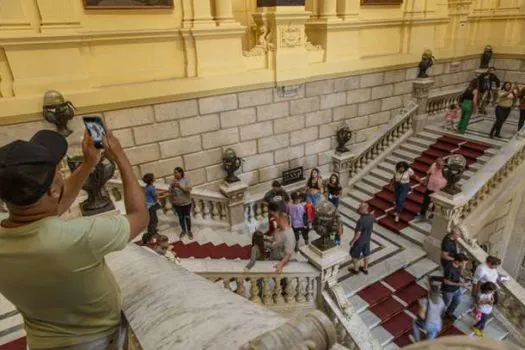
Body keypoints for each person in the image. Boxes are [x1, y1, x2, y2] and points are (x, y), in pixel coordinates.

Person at [0, 129, 148, 349]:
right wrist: (120, 156)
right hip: (97, 340)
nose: (61, 170)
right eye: (57, 169)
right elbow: (140, 216)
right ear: (52, 190)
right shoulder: (79, 237)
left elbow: (49, 208)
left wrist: (88, 164)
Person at [268, 202, 296, 273]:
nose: (272, 218)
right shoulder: (278, 228)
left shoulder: (289, 235)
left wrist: (281, 265)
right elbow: (274, 238)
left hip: (280, 262)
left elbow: (288, 254)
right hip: (273, 257)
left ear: (282, 215)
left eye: (274, 215)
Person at [441, 253, 469, 320]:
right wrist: (460, 284)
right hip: (448, 290)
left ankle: (449, 313)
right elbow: (446, 281)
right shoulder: (449, 268)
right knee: (445, 303)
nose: (464, 265)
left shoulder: (459, 266)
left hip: (456, 288)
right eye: (463, 263)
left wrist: (464, 277)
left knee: (457, 301)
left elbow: (459, 273)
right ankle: (440, 315)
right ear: (457, 261)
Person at [349, 203, 374, 275]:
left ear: (364, 209)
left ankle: (356, 269)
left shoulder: (361, 220)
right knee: (366, 254)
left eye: (360, 208)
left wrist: (353, 241)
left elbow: (358, 233)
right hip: (367, 239)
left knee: (353, 254)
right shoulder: (371, 217)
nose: (358, 210)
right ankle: (365, 268)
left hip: (359, 241)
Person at [169, 167, 193, 239]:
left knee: (187, 217)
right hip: (177, 203)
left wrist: (180, 187)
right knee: (180, 217)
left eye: (176, 172)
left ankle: (189, 231)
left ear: (180, 173)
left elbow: (187, 191)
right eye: (174, 173)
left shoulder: (187, 180)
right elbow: (170, 191)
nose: (174, 174)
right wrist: (172, 187)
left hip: (186, 203)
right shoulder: (173, 181)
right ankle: (183, 231)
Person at [143, 173, 160, 237]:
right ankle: (153, 233)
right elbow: (155, 197)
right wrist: (167, 194)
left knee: (151, 220)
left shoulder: (147, 187)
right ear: (151, 180)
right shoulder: (151, 188)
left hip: (148, 205)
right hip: (152, 206)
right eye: (153, 177)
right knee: (154, 220)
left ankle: (151, 231)